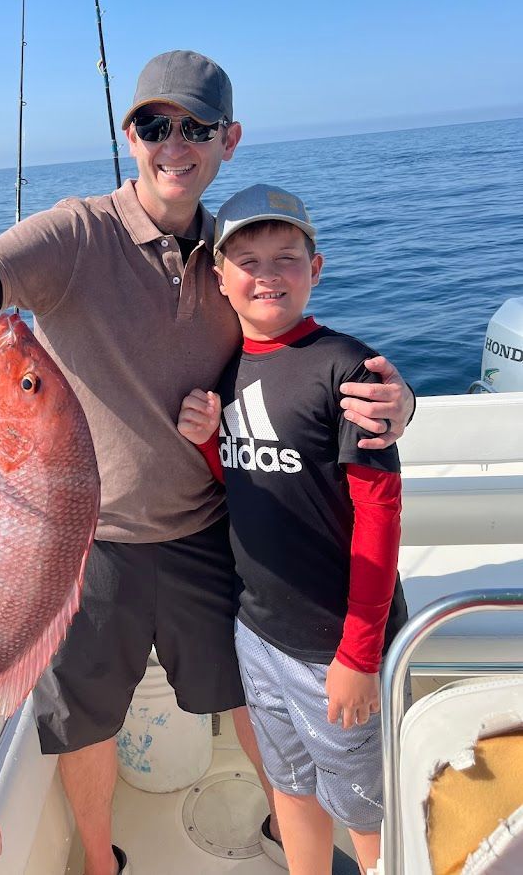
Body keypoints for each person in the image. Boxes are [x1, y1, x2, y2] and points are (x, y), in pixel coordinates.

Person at [0, 51, 414, 875]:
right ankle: (99, 863)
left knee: (244, 696)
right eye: (153, 124)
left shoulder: (234, 250)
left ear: (227, 141)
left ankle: (292, 831)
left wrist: (396, 403)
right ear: (128, 134)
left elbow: (300, 357)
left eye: (196, 127)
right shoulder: (74, 232)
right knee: (83, 720)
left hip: (209, 531)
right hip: (78, 543)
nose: (174, 142)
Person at [177, 184, 407, 875]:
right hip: (258, 630)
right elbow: (252, 483)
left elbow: (380, 513)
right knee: (288, 786)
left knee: (362, 807)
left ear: (317, 268)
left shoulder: (347, 369)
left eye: (286, 257)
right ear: (220, 279)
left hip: (335, 642)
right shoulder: (224, 369)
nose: (266, 273)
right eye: (246, 259)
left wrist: (359, 654)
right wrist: (207, 447)